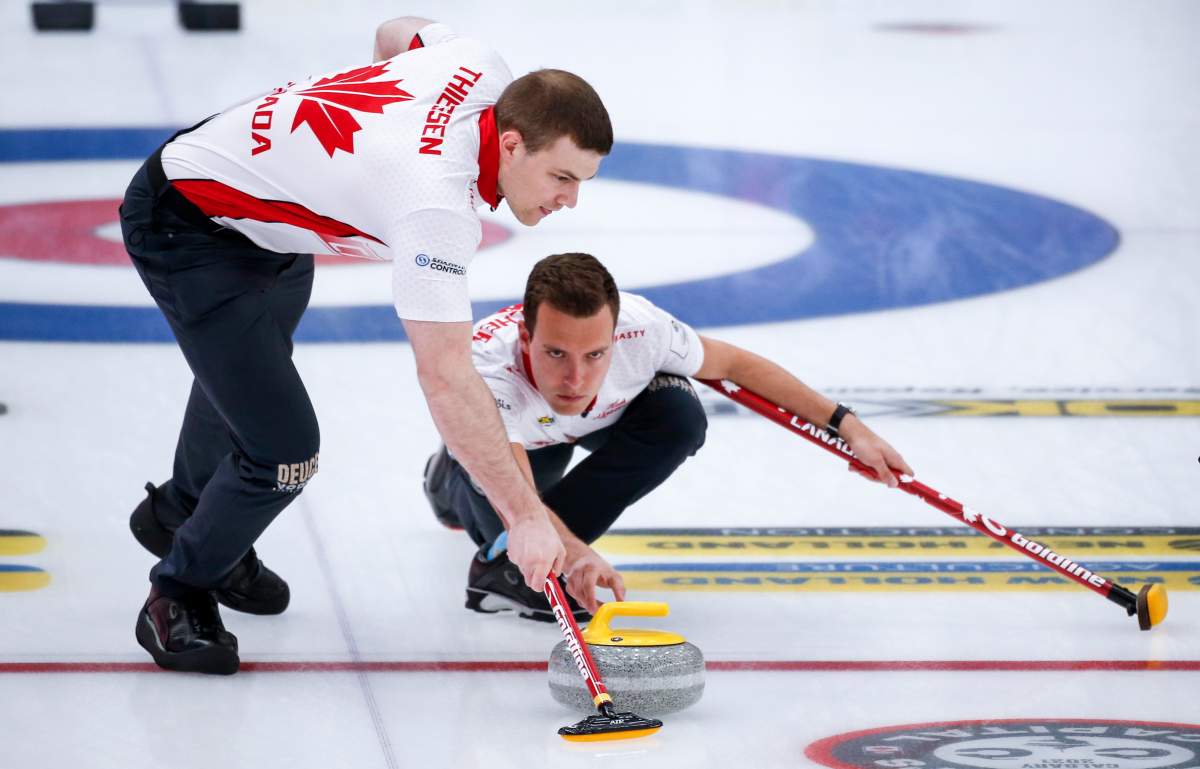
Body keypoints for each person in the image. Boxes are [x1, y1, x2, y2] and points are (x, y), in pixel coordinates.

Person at [120, 17, 612, 674]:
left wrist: (358, 163)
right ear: (514, 143)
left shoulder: (479, 63)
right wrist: (524, 514)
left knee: (249, 372)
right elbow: (445, 376)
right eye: (561, 177)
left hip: (265, 218)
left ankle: (184, 511)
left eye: (582, 181)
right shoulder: (435, 207)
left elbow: (393, 32)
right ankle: (176, 589)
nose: (570, 201)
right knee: (283, 452)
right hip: (187, 225)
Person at [423, 253, 914, 620]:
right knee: (515, 511)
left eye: (595, 355)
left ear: (615, 337)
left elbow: (738, 366)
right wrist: (576, 554)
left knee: (678, 413)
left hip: (597, 425)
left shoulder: (644, 330)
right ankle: (450, 480)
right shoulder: (487, 373)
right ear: (525, 340)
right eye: (555, 354)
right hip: (517, 448)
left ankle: (508, 568)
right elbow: (523, 500)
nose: (576, 379)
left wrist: (851, 429)